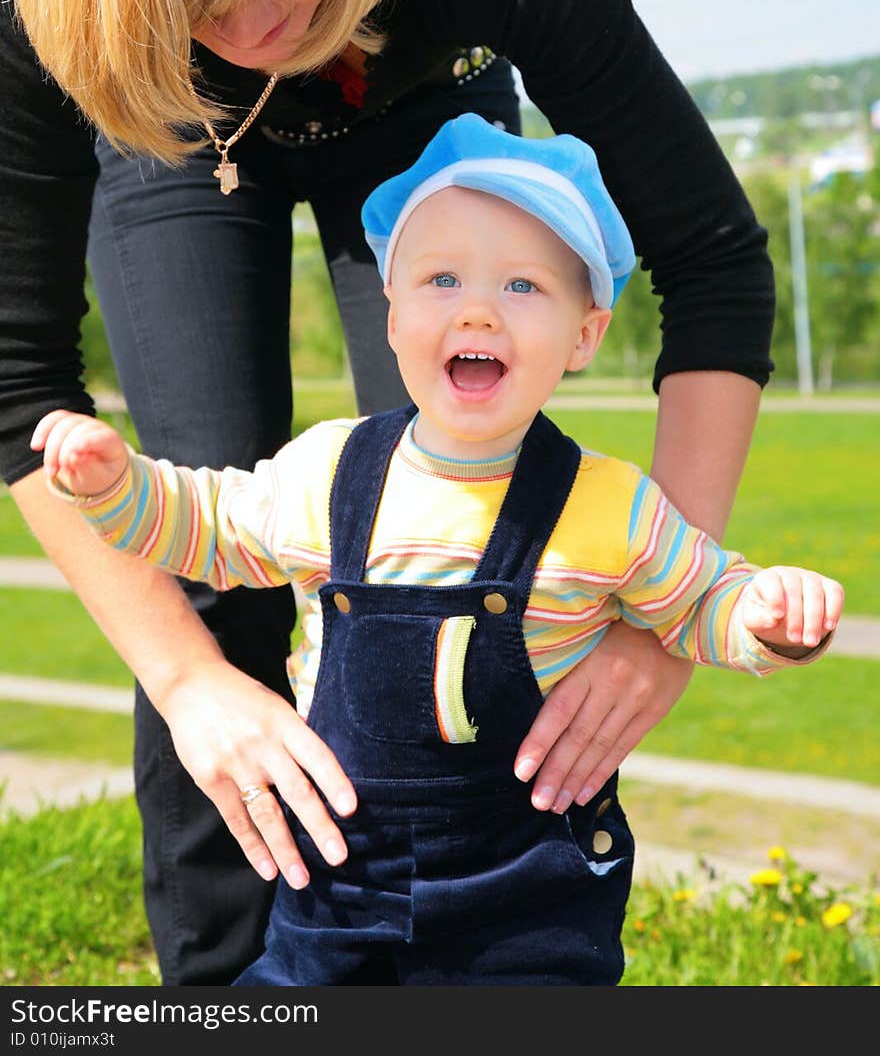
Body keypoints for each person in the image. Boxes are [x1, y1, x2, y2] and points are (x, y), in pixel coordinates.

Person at [1, 0, 776, 986]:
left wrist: (657, 628)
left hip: (423, 121)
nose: (256, 26)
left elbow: (713, 259)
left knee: (451, 535)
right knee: (211, 577)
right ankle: (230, 996)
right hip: (177, 143)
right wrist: (191, 683)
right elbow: (16, 374)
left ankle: (502, 958)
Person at [32, 118, 843, 987]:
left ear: (586, 336)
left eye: (523, 285)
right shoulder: (327, 470)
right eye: (442, 278)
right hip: (336, 891)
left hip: (525, 902)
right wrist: (113, 484)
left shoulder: (614, 506)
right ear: (391, 313)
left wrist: (767, 615)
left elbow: (701, 602)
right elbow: (204, 526)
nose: (477, 307)